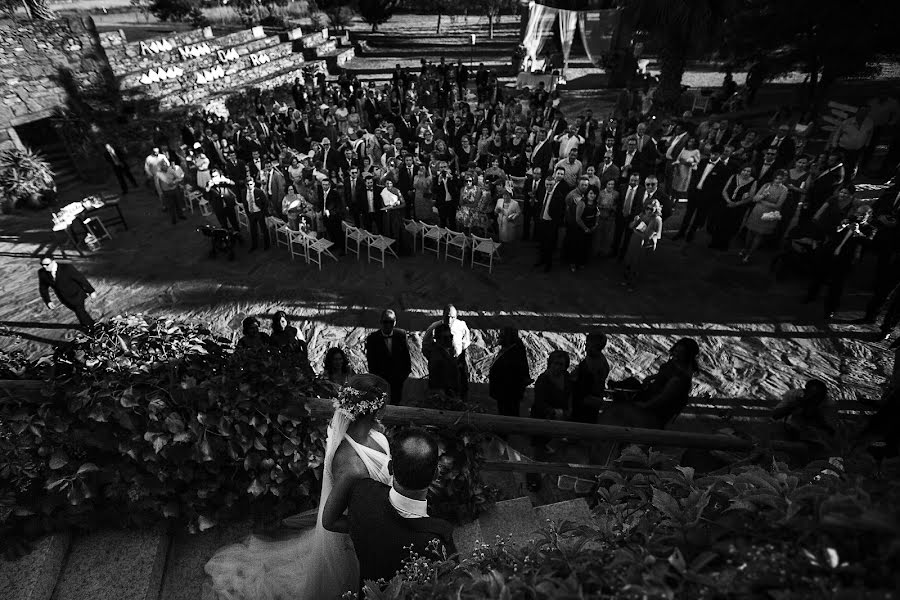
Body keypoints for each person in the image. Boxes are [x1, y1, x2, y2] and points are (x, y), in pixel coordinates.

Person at [206, 375, 393, 599]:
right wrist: (374, 527)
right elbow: (329, 520)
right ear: (377, 409)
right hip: (357, 535)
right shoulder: (350, 464)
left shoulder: (379, 437)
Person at [324, 427, 455, 594]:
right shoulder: (438, 541)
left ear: (391, 467)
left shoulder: (362, 494)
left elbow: (333, 521)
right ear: (436, 474)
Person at [592, 338, 700, 463]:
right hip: (650, 393)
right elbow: (663, 375)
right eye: (676, 350)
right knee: (632, 383)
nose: (675, 354)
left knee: (624, 400)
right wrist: (651, 378)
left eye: (680, 352)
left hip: (653, 408)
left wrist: (645, 405)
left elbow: (663, 397)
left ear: (686, 355)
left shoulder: (680, 378)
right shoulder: (674, 365)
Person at [528, 350, 572, 490]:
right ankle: (533, 481)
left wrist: (567, 411)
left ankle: (552, 482)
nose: (558, 367)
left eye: (561, 364)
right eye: (555, 363)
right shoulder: (543, 379)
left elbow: (570, 395)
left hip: (560, 421)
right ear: (550, 363)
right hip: (542, 420)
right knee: (538, 453)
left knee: (555, 453)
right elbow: (540, 402)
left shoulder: (566, 377)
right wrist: (553, 412)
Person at [422, 304, 472, 398]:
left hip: (457, 361)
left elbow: (466, 342)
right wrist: (434, 356)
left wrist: (461, 357)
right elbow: (425, 345)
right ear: (443, 316)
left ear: (456, 316)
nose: (449, 320)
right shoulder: (434, 327)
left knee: (460, 386)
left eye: (452, 317)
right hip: (440, 362)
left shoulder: (461, 325)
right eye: (447, 317)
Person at [740, 169, 789, 263]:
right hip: (757, 211)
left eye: (780, 179)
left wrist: (762, 201)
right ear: (773, 178)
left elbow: (778, 205)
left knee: (759, 235)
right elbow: (754, 199)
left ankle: (749, 254)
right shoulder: (766, 185)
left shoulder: (784, 189)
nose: (778, 181)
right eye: (776, 178)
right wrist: (763, 196)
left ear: (783, 180)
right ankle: (744, 249)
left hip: (768, 215)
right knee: (750, 232)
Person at [365, 309, 412, 405]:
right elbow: (371, 363)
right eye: (385, 322)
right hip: (381, 381)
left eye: (390, 322)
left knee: (397, 405)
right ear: (380, 322)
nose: (387, 325)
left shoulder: (401, 335)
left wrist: (402, 376)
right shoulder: (372, 338)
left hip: (398, 381)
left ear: (394, 322)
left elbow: (406, 359)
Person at [38, 256, 97, 329]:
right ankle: (92, 324)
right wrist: (48, 301)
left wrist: (91, 291)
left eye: (47, 264)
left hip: (76, 294)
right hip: (64, 298)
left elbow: (80, 279)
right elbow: (43, 288)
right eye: (42, 264)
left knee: (80, 313)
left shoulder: (66, 268)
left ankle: (90, 328)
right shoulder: (42, 273)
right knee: (80, 312)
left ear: (53, 262)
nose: (44, 267)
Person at [708, 165, 756, 251]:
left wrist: (736, 204)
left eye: (748, 171)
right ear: (741, 170)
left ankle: (724, 245)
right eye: (744, 170)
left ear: (751, 173)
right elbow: (724, 190)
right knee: (720, 223)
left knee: (731, 226)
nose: (746, 172)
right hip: (726, 203)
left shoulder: (753, 181)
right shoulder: (734, 176)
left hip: (739, 207)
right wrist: (728, 201)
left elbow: (751, 197)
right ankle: (714, 242)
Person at [488, 327, 531, 417]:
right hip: (503, 393)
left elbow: (514, 374)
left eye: (502, 335)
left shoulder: (515, 352)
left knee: (509, 416)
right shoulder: (510, 349)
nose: (498, 336)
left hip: (508, 394)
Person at [623, 199, 663, 289]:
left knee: (638, 264)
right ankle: (628, 280)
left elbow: (648, 236)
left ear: (656, 210)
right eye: (647, 208)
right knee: (630, 260)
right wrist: (635, 221)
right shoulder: (642, 214)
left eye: (652, 209)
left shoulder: (656, 219)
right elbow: (631, 226)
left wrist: (635, 230)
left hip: (644, 244)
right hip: (635, 241)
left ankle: (633, 284)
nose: (649, 211)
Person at [572, 331, 610, 423]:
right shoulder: (594, 359)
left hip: (587, 403)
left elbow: (591, 385)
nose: (585, 347)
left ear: (595, 345)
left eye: (588, 344)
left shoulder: (597, 363)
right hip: (586, 401)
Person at [535, 166, 568, 272]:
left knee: (549, 245)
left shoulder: (558, 196)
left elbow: (559, 212)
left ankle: (548, 264)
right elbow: (539, 205)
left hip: (551, 222)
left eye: (551, 185)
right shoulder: (541, 193)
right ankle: (541, 260)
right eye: (547, 184)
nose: (548, 186)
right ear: (544, 184)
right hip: (542, 220)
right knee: (541, 242)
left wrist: (555, 223)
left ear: (554, 185)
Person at [427, 323, 462, 397]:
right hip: (443, 396)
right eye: (446, 338)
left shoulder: (447, 352)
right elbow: (436, 380)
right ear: (437, 339)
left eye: (451, 336)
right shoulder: (436, 355)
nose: (449, 339)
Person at [242, 178, 270, 251]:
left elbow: (265, 203)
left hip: (259, 212)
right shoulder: (244, 192)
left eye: (251, 184)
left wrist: (263, 212)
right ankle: (254, 245)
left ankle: (267, 245)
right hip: (251, 213)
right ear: (245, 185)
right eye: (247, 185)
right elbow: (245, 204)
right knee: (253, 230)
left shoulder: (259, 192)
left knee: (263, 229)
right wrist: (248, 213)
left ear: (254, 184)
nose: (249, 186)